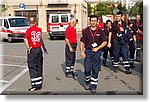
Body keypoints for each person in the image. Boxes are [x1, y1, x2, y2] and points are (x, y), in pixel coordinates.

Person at [80, 15, 107, 94]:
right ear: (90, 21)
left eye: (95, 21)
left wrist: (97, 48)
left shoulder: (100, 31)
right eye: (92, 21)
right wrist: (82, 51)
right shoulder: (86, 31)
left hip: (97, 53)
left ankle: (94, 86)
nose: (93, 22)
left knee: (95, 70)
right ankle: (87, 81)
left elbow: (105, 42)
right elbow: (82, 42)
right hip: (88, 52)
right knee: (87, 69)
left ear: (97, 21)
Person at [24, 17, 43, 91]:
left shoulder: (29, 30)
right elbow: (40, 39)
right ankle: (39, 84)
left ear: (29, 22)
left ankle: (34, 84)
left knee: (32, 66)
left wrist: (28, 48)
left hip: (33, 49)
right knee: (39, 65)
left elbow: (25, 39)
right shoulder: (39, 30)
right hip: (39, 49)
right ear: (35, 22)